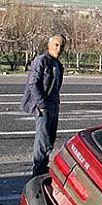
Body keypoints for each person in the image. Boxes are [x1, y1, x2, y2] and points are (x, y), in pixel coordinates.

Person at [20, 34, 66, 177]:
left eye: (62, 46)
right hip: (44, 105)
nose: (59, 49)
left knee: (49, 140)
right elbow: (33, 83)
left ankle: (42, 167)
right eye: (56, 45)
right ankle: (38, 171)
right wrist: (41, 104)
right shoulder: (42, 61)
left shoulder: (57, 64)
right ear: (49, 45)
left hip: (53, 105)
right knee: (43, 140)